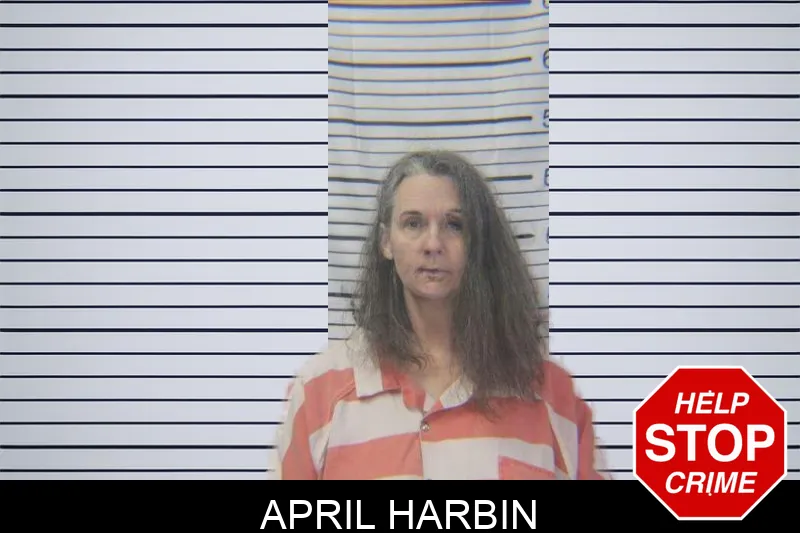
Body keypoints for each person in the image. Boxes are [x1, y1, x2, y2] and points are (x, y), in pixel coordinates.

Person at [273, 150, 609, 480]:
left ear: (478, 243)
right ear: (386, 242)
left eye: (454, 225)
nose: (433, 243)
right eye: (413, 223)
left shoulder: (553, 394)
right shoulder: (318, 393)